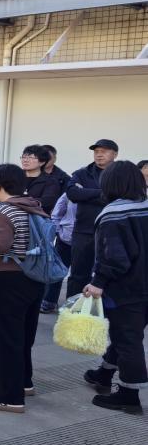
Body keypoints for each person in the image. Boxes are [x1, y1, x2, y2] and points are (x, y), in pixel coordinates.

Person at [0, 164, 49, 413]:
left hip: (8, 277)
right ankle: (24, 382)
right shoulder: (34, 206)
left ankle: (8, 396)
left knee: (5, 338)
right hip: (34, 276)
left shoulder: (5, 209)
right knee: (23, 334)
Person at [82, 161, 148, 414]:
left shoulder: (113, 214)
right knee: (126, 335)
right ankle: (104, 374)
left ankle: (129, 395)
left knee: (127, 340)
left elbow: (114, 258)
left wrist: (98, 282)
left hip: (127, 289)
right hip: (143, 287)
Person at [66, 140, 119, 297]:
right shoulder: (82, 173)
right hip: (84, 230)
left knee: (111, 273)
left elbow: (121, 196)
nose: (99, 154)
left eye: (104, 151)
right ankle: (72, 307)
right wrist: (102, 193)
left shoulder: (121, 173)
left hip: (113, 231)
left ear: (115, 154)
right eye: (96, 151)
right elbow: (73, 194)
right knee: (78, 273)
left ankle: (104, 308)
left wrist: (87, 193)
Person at [40, 192, 76, 313]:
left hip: (87, 240)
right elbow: (56, 214)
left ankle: (73, 307)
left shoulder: (99, 193)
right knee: (56, 271)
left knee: (78, 276)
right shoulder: (69, 194)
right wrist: (59, 232)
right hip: (65, 239)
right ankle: (49, 301)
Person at [21, 145, 61, 213]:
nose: (25, 160)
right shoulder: (14, 177)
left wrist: (20, 202)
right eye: (23, 157)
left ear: (42, 162)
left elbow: (47, 202)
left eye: (31, 157)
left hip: (36, 216)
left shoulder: (51, 181)